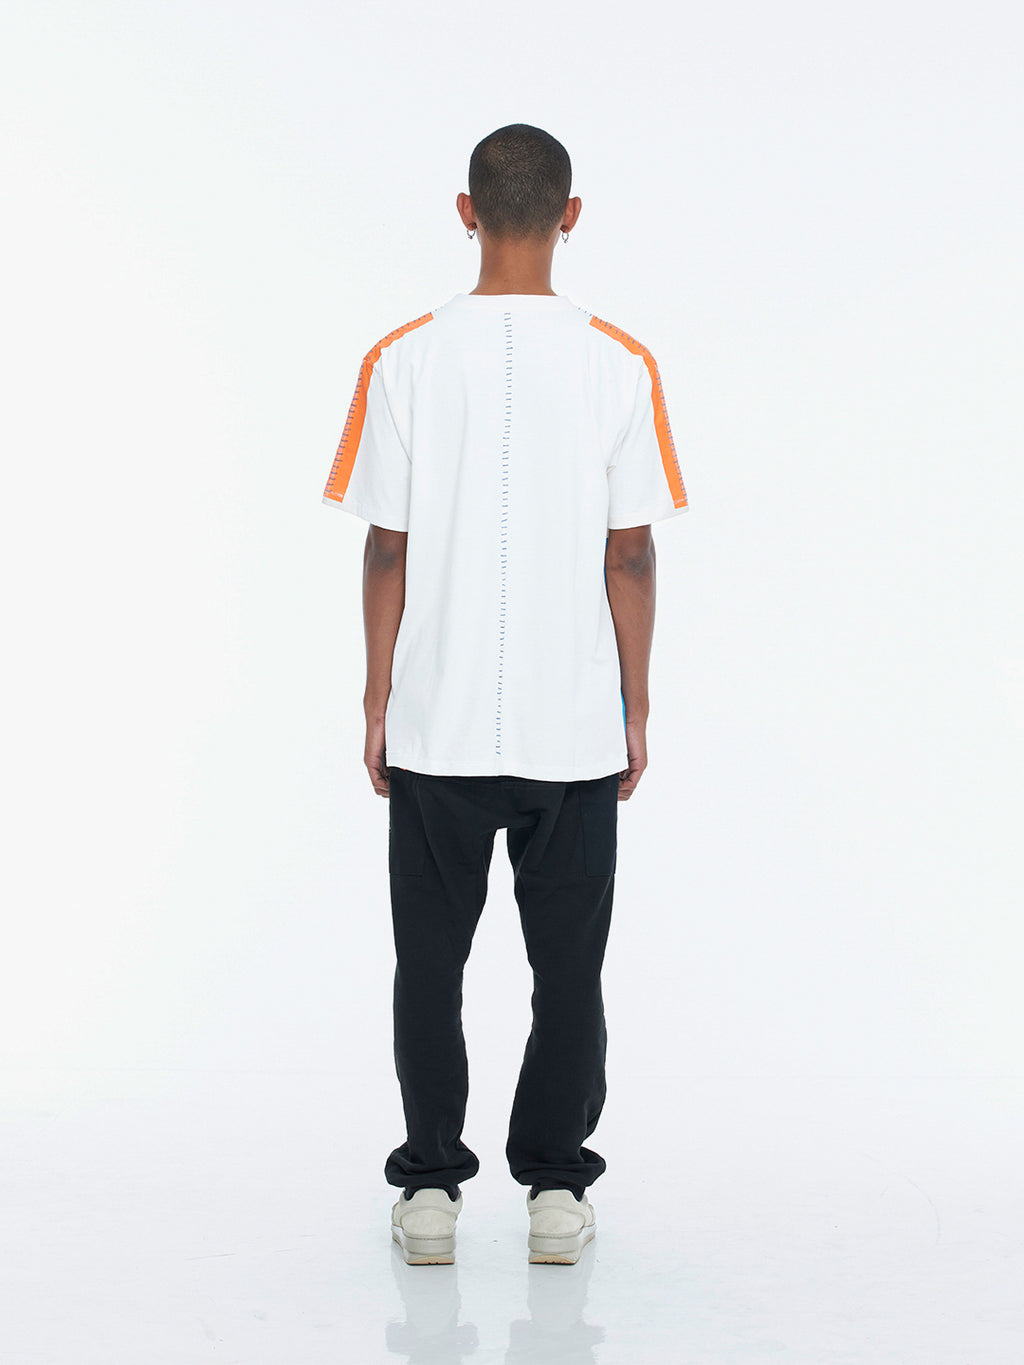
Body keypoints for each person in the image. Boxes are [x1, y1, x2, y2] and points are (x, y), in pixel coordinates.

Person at [322, 123, 688, 1264]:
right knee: (568, 971)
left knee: (428, 967)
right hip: (571, 727)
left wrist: (377, 698)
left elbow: (387, 545)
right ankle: (555, 1194)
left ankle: (430, 1191)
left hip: (434, 726)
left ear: (465, 210)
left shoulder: (402, 358)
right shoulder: (622, 362)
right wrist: (635, 704)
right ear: (571, 215)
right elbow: (631, 552)